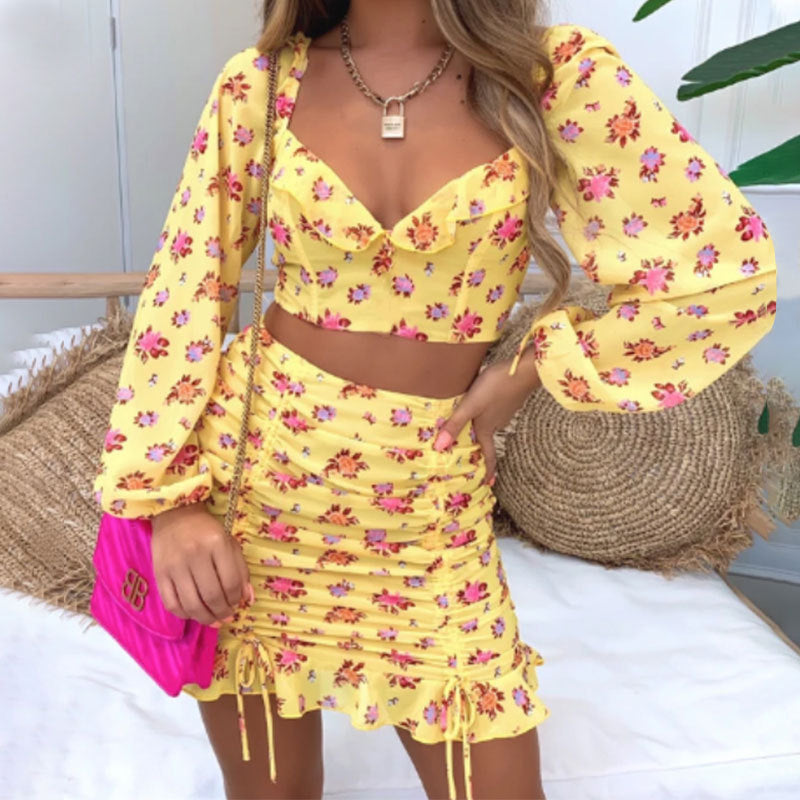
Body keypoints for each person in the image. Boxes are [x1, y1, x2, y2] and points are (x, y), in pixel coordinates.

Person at [92, 1, 778, 798]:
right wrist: (171, 505)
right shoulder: (261, 85)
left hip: (428, 503)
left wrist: (532, 366)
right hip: (259, 490)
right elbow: (183, 293)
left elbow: (720, 271)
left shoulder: (554, 77)